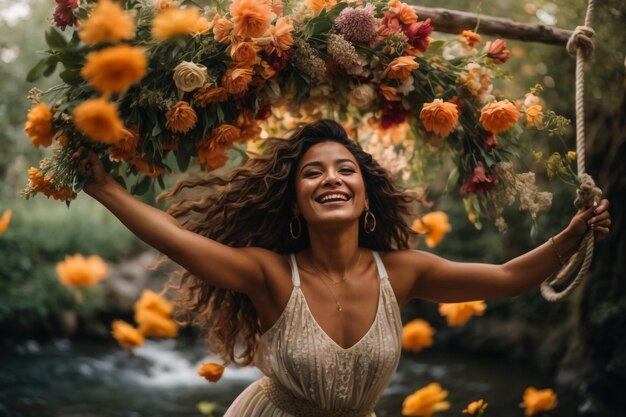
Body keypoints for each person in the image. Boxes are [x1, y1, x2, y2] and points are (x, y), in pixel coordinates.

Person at [74, 119, 610, 416]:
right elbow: (174, 238)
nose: (331, 179)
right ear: (295, 202)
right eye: (312, 173)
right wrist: (103, 187)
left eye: (344, 169)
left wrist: (572, 234)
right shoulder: (268, 274)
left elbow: (508, 278)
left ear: (364, 193)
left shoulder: (403, 272)